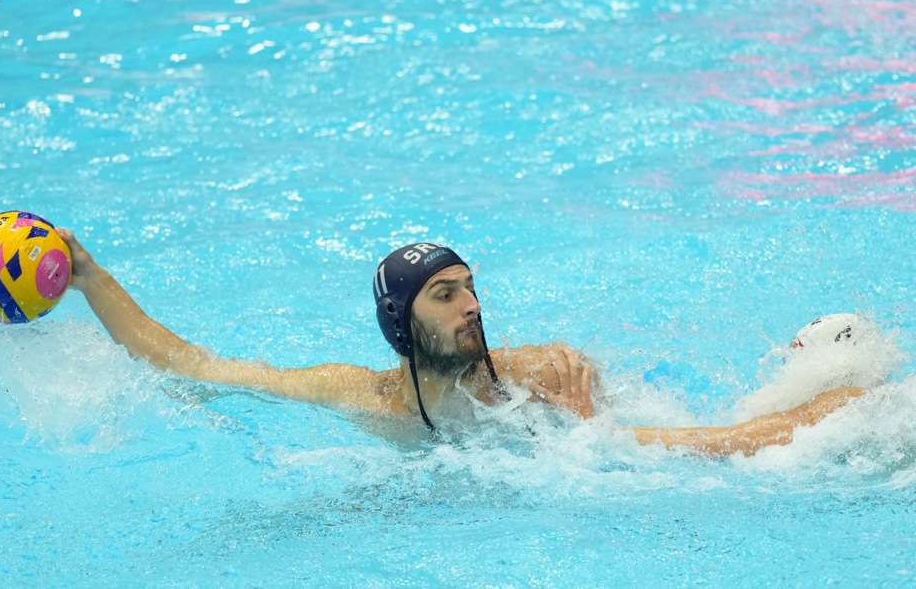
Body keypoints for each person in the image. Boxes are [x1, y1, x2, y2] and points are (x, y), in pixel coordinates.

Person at [57, 232, 864, 456]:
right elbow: (192, 364)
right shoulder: (365, 397)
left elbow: (644, 446)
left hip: (590, 442)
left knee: (712, 447)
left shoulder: (535, 376)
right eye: (447, 295)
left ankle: (843, 402)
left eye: (472, 287)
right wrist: (90, 277)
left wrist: (585, 427)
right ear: (402, 324)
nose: (473, 306)